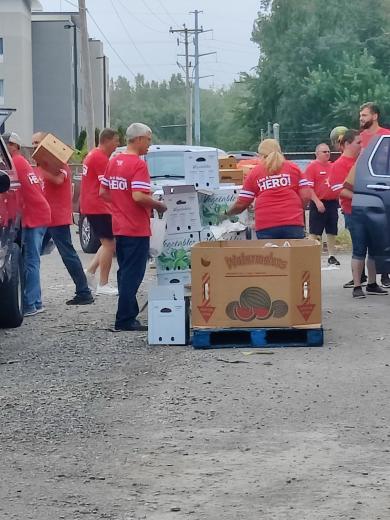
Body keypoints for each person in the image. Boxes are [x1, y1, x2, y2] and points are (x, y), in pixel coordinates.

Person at [100, 123, 167, 331]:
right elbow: (138, 196)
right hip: (136, 227)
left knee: (124, 271)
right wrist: (159, 205)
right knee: (133, 273)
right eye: (148, 139)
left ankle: (129, 313)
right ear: (138, 139)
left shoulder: (114, 161)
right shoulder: (138, 165)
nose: (149, 144)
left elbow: (103, 192)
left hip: (119, 225)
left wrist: (121, 203)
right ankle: (125, 319)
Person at [32, 131, 94, 305]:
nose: (35, 146)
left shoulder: (60, 165)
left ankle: (84, 291)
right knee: (32, 255)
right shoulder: (41, 166)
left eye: (38, 142)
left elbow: (59, 180)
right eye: (34, 143)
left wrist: (42, 171)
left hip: (57, 218)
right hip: (45, 217)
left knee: (67, 254)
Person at [3, 132, 51, 316]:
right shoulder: (21, 161)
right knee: (31, 260)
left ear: (12, 145)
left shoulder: (15, 163)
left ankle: (30, 304)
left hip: (35, 216)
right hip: (38, 214)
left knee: (31, 260)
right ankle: (36, 302)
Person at [226, 139, 311, 239]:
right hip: (293, 222)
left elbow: (242, 203)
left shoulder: (255, 172)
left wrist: (227, 213)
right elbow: (306, 196)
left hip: (266, 224)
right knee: (293, 254)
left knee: (271, 254)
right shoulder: (293, 168)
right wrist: (296, 209)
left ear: (261, 155)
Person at [81, 128, 119, 295]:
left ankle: (89, 272)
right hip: (98, 206)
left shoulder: (92, 155)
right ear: (107, 140)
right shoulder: (99, 158)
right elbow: (107, 186)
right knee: (109, 244)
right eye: (116, 141)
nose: (118, 145)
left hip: (92, 205)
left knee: (107, 243)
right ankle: (103, 283)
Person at [340, 164, 388, 299]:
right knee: (359, 250)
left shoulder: (381, 167)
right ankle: (357, 286)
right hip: (357, 213)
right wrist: (363, 200)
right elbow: (343, 191)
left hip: (375, 213)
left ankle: (372, 284)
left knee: (374, 250)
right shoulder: (360, 166)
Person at [329, 129, 366, 288]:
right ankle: (357, 285)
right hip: (353, 211)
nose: (361, 145)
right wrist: (361, 198)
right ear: (347, 144)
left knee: (370, 248)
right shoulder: (339, 165)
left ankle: (370, 282)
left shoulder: (362, 161)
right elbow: (339, 190)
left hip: (368, 209)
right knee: (359, 248)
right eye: (358, 142)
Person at [359, 102, 390, 287]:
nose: (361, 118)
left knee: (385, 235)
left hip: (384, 189)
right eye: (360, 115)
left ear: (375, 116)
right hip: (366, 191)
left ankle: (385, 273)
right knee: (365, 238)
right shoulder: (359, 138)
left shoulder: (386, 136)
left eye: (364, 115)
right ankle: (362, 276)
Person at [306, 143, 340, 265]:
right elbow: (309, 187)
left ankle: (331, 255)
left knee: (332, 230)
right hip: (318, 202)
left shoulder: (333, 166)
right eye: (324, 152)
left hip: (332, 202)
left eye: (328, 152)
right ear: (317, 153)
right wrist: (317, 201)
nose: (327, 154)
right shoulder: (312, 167)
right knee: (314, 231)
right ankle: (310, 256)